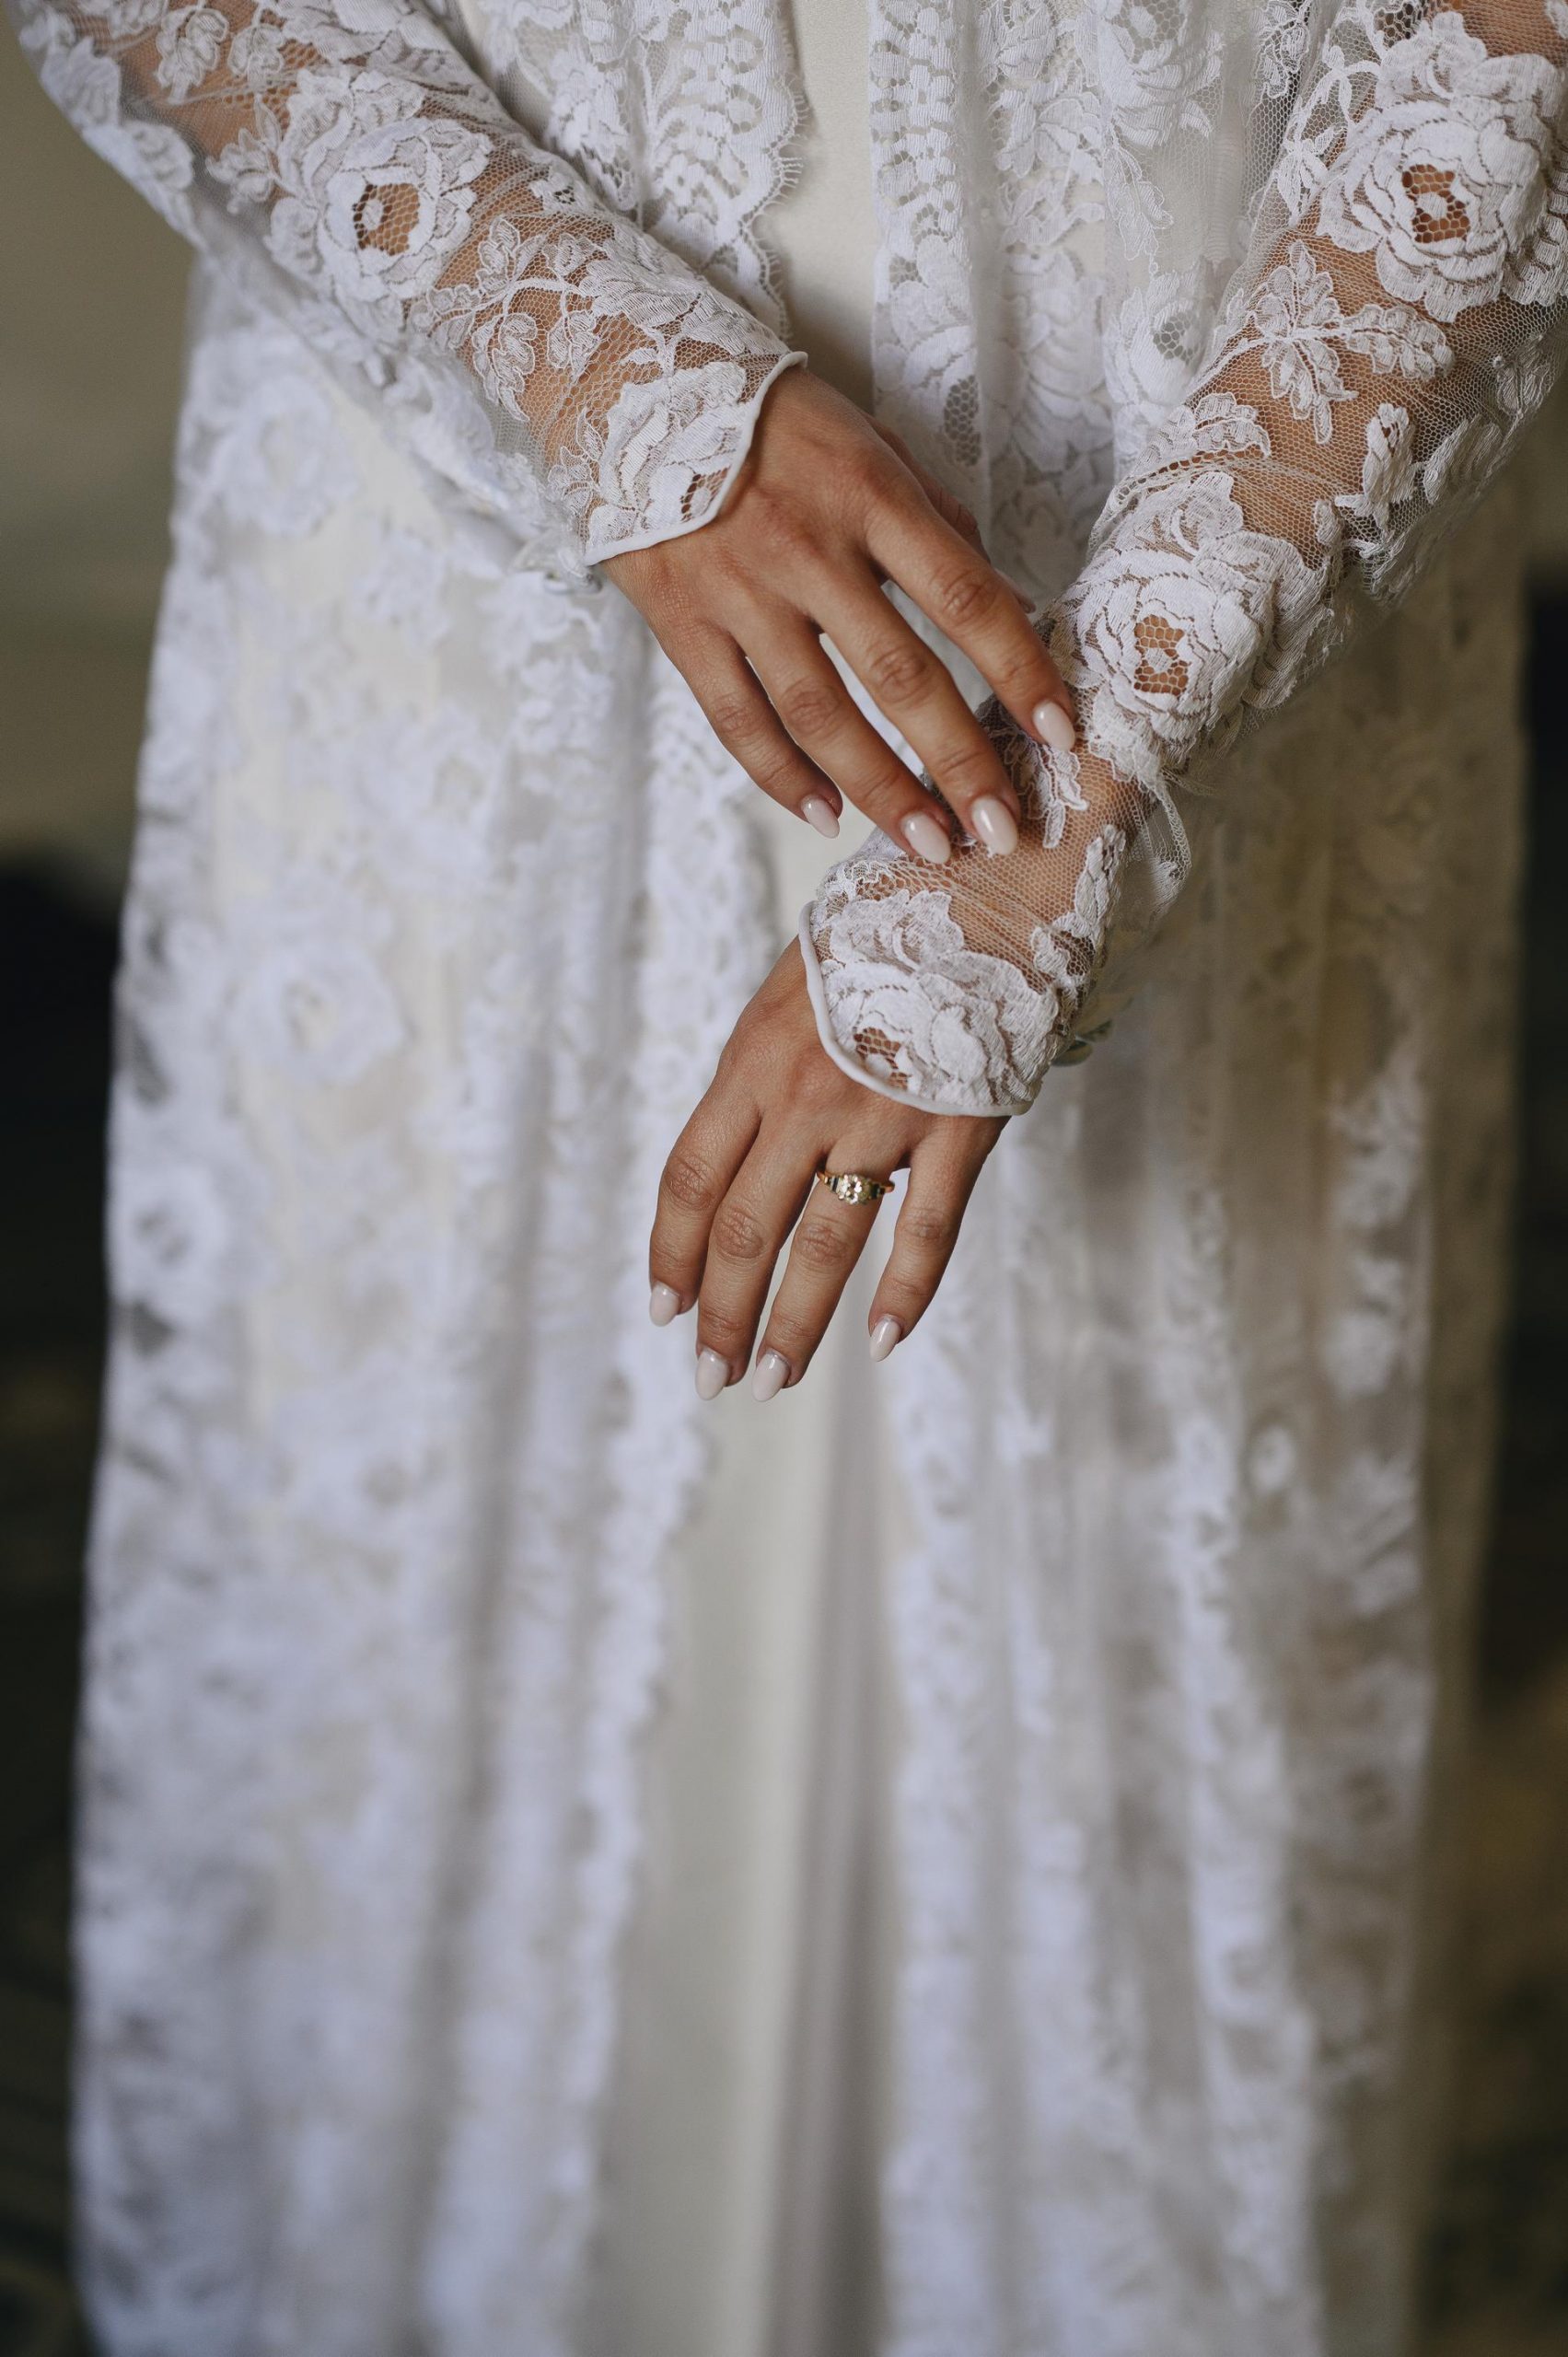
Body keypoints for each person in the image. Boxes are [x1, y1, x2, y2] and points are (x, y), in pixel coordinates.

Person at [8, 0, 1565, 2346]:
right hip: (476, 517)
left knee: (1117, 1622)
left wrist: (1109, 746)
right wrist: (599, 370)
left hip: (1209, 463)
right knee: (443, 1535)